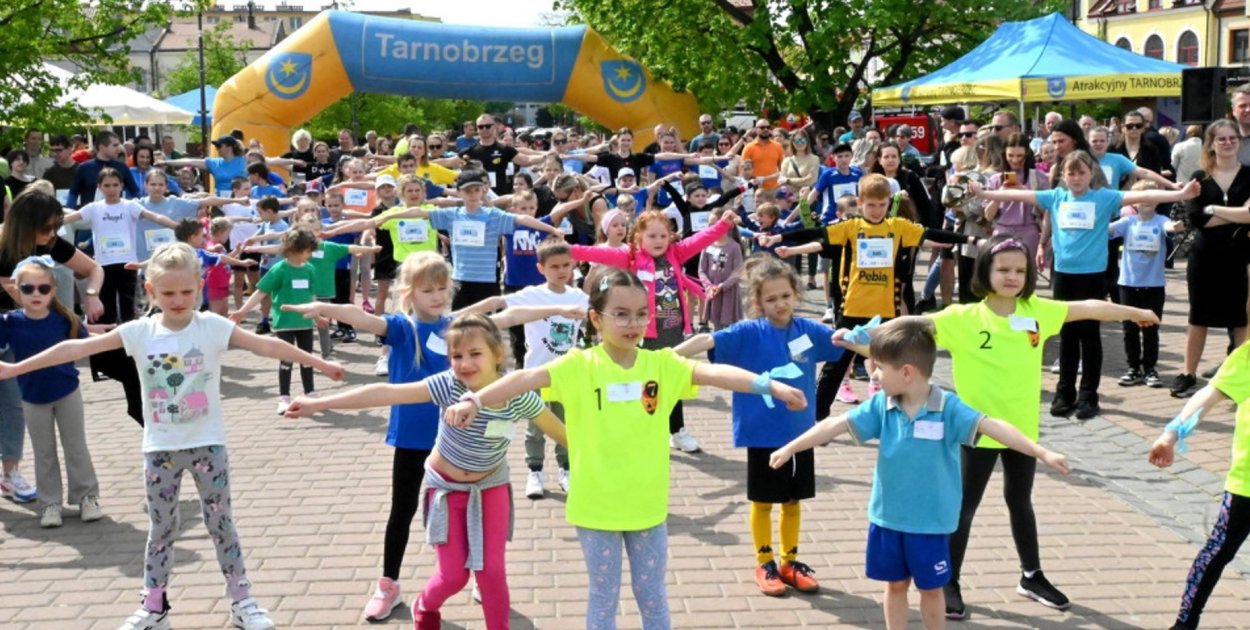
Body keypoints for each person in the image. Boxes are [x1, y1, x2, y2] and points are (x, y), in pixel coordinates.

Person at [0, 242, 344, 630]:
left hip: (208, 446)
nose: (178, 300)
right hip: (160, 449)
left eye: (186, 291)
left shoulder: (212, 326)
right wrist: (15, 370)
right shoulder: (139, 332)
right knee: (161, 529)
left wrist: (318, 362)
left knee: (221, 525)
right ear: (150, 291)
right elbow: (76, 346)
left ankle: (242, 600)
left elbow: (267, 344)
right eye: (167, 293)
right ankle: (155, 605)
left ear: (199, 287)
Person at [440, 268, 806, 630]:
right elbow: (525, 377)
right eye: (620, 314)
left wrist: (769, 386)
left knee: (652, 594)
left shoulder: (661, 364)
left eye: (641, 313)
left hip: (647, 508)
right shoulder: (579, 365)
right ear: (596, 319)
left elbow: (714, 373)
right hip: (596, 508)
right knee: (604, 595)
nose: (633, 323)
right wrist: (476, 399)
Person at [850, 235, 1157, 619]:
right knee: (961, 509)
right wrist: (865, 336)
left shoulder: (1037, 311)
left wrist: (1133, 312)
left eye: (1020, 270)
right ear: (985, 272)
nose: (1012, 276)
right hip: (973, 430)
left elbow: (1087, 307)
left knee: (1020, 501)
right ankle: (949, 581)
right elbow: (914, 324)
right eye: (1003, 269)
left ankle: (1031, 575)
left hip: (1021, 430)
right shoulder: (963, 318)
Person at [280, 251, 576, 622]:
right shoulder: (404, 329)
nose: (436, 296)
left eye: (442, 288)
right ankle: (389, 584)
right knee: (401, 511)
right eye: (427, 290)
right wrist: (329, 307)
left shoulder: (461, 328)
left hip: (468, 444)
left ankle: (479, 575)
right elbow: (365, 323)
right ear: (409, 293)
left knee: (481, 544)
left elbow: (511, 317)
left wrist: (561, 311)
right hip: (415, 438)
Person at [769, 317, 1070, 630]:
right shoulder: (882, 405)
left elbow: (994, 427)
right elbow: (836, 424)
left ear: (907, 373)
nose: (874, 374)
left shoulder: (949, 408)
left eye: (879, 367)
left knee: (930, 589)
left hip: (930, 524)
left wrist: (1041, 452)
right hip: (888, 520)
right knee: (895, 586)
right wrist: (792, 446)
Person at [970, 151, 1199, 419]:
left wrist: (1179, 195)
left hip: (1093, 276)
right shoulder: (1056, 196)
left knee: (1090, 336)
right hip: (1064, 275)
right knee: (1067, 335)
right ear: (1063, 176)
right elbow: (1019, 193)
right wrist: (987, 194)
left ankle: (1089, 395)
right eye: (1071, 173)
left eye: (1081, 172)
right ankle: (1064, 392)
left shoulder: (1104, 197)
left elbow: (1145, 196)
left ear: (1091, 174)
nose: (1076, 178)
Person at [674, 255, 842, 596]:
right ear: (757, 302)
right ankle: (764, 562)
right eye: (770, 298)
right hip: (763, 433)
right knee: (764, 501)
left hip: (800, 433)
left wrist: (873, 339)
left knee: (793, 501)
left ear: (795, 293)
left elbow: (843, 339)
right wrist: (664, 358)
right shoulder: (747, 332)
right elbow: (708, 342)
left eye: (785, 296)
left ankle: (789, 562)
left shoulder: (808, 330)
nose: (779, 303)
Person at [570, 210, 737, 453]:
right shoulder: (630, 257)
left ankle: (677, 431)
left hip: (673, 331)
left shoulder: (676, 253)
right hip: (642, 334)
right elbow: (597, 252)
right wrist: (569, 250)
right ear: (639, 237)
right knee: (643, 382)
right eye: (652, 236)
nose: (658, 241)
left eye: (663, 235)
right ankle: (641, 430)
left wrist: (723, 224)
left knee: (673, 378)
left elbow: (701, 239)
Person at [457, 238, 589, 498]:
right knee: (536, 425)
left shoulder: (580, 297)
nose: (562, 271)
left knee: (566, 422)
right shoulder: (532, 294)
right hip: (534, 374)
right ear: (541, 268)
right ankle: (535, 472)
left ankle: (567, 469)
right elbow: (496, 301)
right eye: (554, 266)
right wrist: (460, 316)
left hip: (566, 374)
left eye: (566, 265)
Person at [0, 256, 106, 527]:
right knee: (43, 451)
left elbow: (87, 342)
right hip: (32, 398)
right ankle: (50, 504)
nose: (36, 294)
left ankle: (87, 497)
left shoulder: (64, 319)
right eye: (28, 289)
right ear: (16, 289)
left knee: (76, 447)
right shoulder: (9, 322)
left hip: (68, 392)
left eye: (43, 289)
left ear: (53, 290)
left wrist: (119, 340)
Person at [1150, 345, 1250, 630]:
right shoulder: (1247, 357)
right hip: (1246, 484)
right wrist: (1172, 433)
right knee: (1217, 551)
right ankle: (1185, 622)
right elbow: (1208, 395)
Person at [383, 169, 562, 310]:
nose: (473, 194)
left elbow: (523, 219)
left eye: (476, 190)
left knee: (483, 327)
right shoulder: (451, 214)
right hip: (460, 279)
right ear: (459, 192)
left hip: (487, 281)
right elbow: (418, 212)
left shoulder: (493, 215)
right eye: (468, 190)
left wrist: (551, 229)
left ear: (483, 190)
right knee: (458, 323)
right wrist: (384, 218)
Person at [1172, 120, 1250, 398]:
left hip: (1239, 256)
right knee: (1198, 317)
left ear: (1239, 142)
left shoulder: (1249, 175)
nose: (1228, 143)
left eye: (1232, 138)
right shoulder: (1199, 176)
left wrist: (1215, 208)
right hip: (1204, 258)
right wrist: (1236, 213)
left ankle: (1238, 376)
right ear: (1211, 144)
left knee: (1239, 320)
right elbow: (1196, 219)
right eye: (1222, 139)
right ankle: (1188, 372)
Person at [63, 168, 180, 324]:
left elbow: (154, 216)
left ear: (122, 186)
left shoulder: (129, 206)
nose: (111, 189)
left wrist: (177, 227)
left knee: (128, 309)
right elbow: (69, 218)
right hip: (103, 265)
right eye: (107, 185)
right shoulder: (93, 208)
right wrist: (42, 224)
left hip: (127, 264)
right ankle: (108, 343)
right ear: (99, 187)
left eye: (115, 185)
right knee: (106, 309)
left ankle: (129, 343)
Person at [229, 227, 325, 414]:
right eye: (307, 250)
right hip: (285, 324)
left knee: (307, 359)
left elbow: (311, 296)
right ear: (294, 249)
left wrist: (317, 316)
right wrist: (242, 311)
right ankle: (284, 397)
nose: (310, 254)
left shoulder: (310, 269)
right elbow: (261, 291)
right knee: (286, 360)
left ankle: (310, 392)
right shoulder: (280, 269)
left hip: (305, 323)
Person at [984, 133, 1048, 260]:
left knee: (1027, 275)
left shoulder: (1038, 177)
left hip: (1029, 233)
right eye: (1010, 155)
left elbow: (1047, 210)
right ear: (1004, 154)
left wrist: (1023, 190)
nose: (1015, 160)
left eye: (1020, 156)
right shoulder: (996, 179)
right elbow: (988, 215)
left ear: (1027, 154)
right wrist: (1000, 194)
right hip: (1002, 231)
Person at [698, 208, 745, 330]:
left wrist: (723, 286)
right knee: (716, 326)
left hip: (728, 293)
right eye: (710, 224)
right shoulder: (707, 245)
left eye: (715, 223)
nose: (711, 227)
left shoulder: (734, 247)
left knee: (729, 328)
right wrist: (709, 287)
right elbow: (702, 269)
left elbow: (738, 270)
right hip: (713, 293)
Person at [66, 130, 140, 207]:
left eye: (118, 145)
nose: (118, 149)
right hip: (91, 216)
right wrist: (71, 214)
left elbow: (135, 193)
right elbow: (73, 195)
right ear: (102, 147)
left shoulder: (122, 167)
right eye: (115, 145)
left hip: (117, 215)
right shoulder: (83, 168)